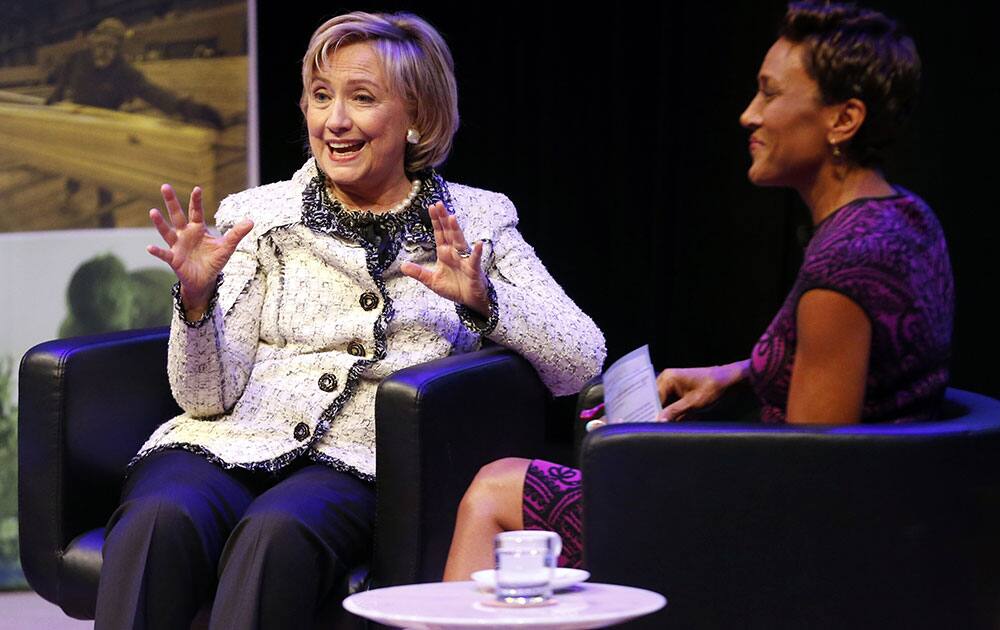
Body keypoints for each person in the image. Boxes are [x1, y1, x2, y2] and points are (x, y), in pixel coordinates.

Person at [94, 12, 606, 629]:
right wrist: (197, 305)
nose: (334, 121)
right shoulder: (257, 215)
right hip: (227, 439)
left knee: (277, 532)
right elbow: (204, 399)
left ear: (417, 116)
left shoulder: (475, 221)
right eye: (320, 97)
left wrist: (485, 301)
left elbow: (581, 357)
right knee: (157, 519)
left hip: (361, 460)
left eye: (361, 99)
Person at [442, 0, 954, 577]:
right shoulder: (905, 218)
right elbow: (855, 374)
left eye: (770, 94)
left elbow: (811, 478)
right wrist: (741, 374)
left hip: (782, 542)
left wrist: (659, 452)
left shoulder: (845, 261)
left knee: (494, 489)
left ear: (844, 120)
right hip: (880, 520)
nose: (748, 115)